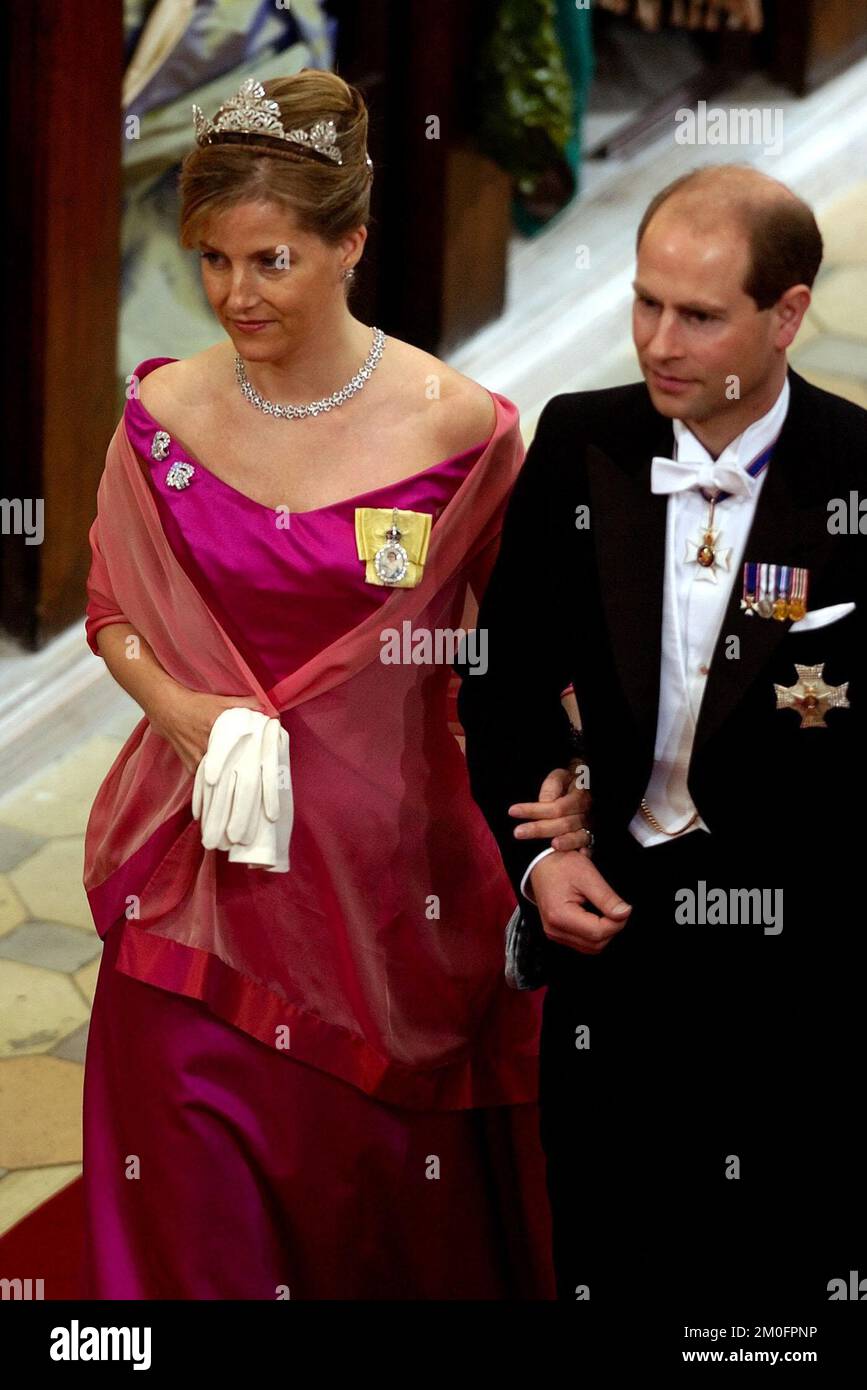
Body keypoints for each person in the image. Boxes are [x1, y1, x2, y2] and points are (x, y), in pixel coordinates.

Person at [80, 70, 587, 1300]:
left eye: (271, 260)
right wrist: (185, 713)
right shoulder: (160, 413)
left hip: (387, 890)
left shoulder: (461, 432)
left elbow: (528, 657)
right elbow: (114, 619)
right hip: (199, 871)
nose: (234, 295)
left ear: (350, 242)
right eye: (212, 260)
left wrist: (571, 777)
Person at [458, 164, 865, 1313]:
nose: (657, 341)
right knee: (608, 1258)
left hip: (804, 979)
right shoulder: (578, 443)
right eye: (645, 303)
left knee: (774, 1290)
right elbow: (504, 684)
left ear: (787, 314)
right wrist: (543, 852)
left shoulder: (860, 478)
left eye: (698, 315)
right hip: (615, 954)